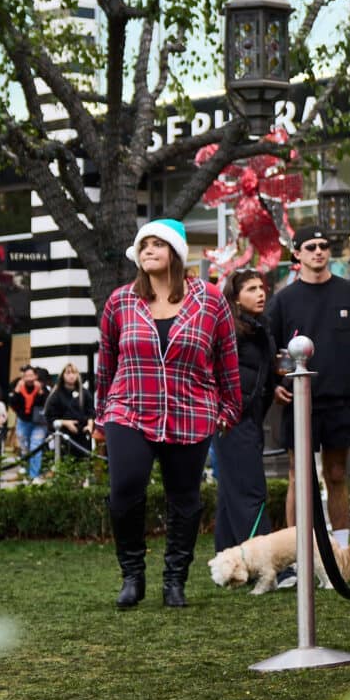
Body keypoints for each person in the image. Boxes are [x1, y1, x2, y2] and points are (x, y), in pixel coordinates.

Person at [95, 218, 240, 609]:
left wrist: (229, 408)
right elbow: (106, 362)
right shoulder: (120, 301)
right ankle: (132, 575)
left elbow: (227, 358)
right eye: (144, 246)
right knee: (124, 490)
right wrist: (101, 413)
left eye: (158, 245)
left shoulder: (209, 299)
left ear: (175, 252)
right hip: (129, 408)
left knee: (184, 499)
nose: (149, 251)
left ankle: (175, 579)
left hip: (191, 410)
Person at [269, 224, 350, 545]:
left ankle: (342, 549)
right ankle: (295, 549)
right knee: (298, 477)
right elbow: (268, 352)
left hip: (340, 400)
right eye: (311, 246)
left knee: (336, 475)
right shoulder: (283, 301)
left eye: (323, 246)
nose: (318, 251)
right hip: (298, 401)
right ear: (297, 254)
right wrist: (272, 386)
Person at [211, 266, 279, 559]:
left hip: (248, 416)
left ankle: (226, 558)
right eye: (251, 289)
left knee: (231, 491)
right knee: (251, 490)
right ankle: (263, 561)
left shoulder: (259, 326)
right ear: (236, 298)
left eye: (261, 287)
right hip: (232, 419)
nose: (260, 293)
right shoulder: (229, 329)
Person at [46, 363, 95, 459]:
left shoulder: (84, 393)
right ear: (63, 375)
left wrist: (89, 426)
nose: (71, 376)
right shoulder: (56, 395)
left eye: (74, 373)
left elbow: (91, 413)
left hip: (82, 435)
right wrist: (66, 423)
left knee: (84, 461)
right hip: (63, 435)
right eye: (68, 373)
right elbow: (50, 416)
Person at [11, 365, 50, 482]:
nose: (29, 378)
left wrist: (41, 392)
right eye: (26, 376)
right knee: (25, 449)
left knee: (35, 447)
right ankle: (26, 473)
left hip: (38, 423)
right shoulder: (18, 387)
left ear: (35, 376)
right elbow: (13, 404)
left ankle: (34, 475)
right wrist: (17, 391)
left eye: (31, 375)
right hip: (23, 422)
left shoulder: (41, 388)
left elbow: (46, 403)